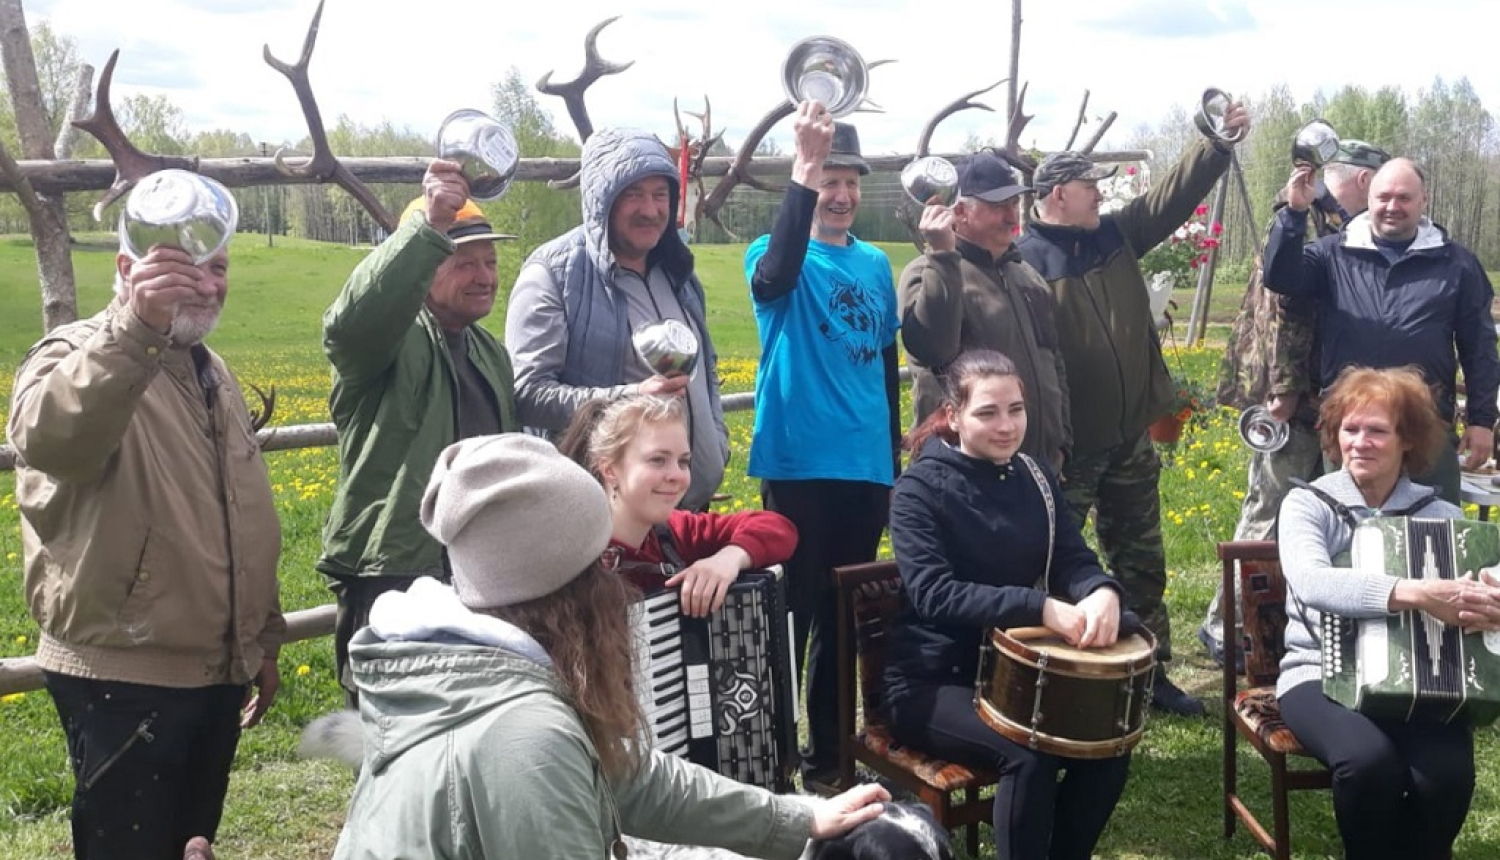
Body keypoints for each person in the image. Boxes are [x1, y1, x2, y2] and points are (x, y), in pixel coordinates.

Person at [331, 433, 890, 859]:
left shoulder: (479, 671)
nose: (612, 587)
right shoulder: (523, 738)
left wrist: (796, 820)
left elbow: (633, 779)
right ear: (566, 591)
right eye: (598, 567)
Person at [8, 193, 282, 860]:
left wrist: (263, 639)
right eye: (182, 267)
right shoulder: (73, 352)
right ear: (127, 269)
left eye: (218, 268)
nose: (206, 284)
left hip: (214, 670)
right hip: (123, 678)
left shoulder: (210, 370)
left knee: (191, 845)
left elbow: (239, 508)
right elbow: (49, 439)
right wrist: (137, 328)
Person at [1015, 101, 1252, 716]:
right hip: (1068, 449)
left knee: (1142, 559)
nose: (1101, 194)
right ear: (1058, 194)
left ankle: (1150, 672)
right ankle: (1052, 672)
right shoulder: (1022, 263)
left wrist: (1216, 144)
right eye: (1090, 186)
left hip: (1129, 438)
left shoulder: (1115, 234)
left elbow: (1172, 198)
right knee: (1052, 565)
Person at [886, 349, 1132, 860]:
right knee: (1029, 754)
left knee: (1108, 746)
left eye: (1016, 410)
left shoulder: (1035, 476)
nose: (1006, 425)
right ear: (953, 415)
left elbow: (1071, 557)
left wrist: (1101, 590)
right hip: (933, 680)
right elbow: (933, 592)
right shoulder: (918, 490)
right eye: (988, 412)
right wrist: (1039, 607)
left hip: (1020, 671)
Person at [1276, 366, 1500, 860]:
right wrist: (1416, 593)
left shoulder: (1441, 515)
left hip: (1422, 681)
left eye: (1377, 431)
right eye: (1350, 429)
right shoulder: (1307, 505)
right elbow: (1312, 582)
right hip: (1318, 675)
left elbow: (1480, 585)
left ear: (1407, 441)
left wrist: (1486, 605)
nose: (1360, 443)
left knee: (1446, 774)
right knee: (1367, 763)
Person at [319, 160, 520, 707]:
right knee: (394, 728)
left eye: (490, 262)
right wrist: (428, 227)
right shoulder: (383, 344)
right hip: (397, 574)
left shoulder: (488, 353)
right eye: (463, 262)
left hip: (479, 573)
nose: (484, 276)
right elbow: (349, 324)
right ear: (423, 267)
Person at [744, 100, 902, 789]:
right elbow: (775, 277)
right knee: (793, 617)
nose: (841, 195)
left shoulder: (875, 263)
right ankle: (774, 758)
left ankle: (830, 762)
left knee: (844, 619)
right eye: (829, 181)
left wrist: (892, 465)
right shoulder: (773, 253)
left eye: (849, 182)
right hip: (799, 463)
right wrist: (802, 172)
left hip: (863, 468)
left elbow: (887, 368)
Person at [1203, 139, 1391, 666]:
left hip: (1325, 400)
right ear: (1362, 180)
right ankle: (1228, 628)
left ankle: (1294, 624)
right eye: (1378, 184)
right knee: (1269, 511)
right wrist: (1285, 389)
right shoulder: (1305, 220)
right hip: (1297, 402)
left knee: (1322, 515)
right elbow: (1287, 312)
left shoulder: (1334, 222)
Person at [506, 127, 728, 510]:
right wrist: (630, 396)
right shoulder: (555, 274)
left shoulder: (679, 273)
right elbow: (528, 394)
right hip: (600, 515)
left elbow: (704, 372)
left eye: (660, 194)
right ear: (601, 199)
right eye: (633, 194)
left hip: (688, 511)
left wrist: (717, 446)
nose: (650, 210)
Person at [1264, 157, 1499, 506]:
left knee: (1433, 531)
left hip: (1427, 428)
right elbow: (1280, 277)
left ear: (1424, 200)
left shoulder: (1457, 263)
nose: (1392, 206)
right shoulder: (1333, 253)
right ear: (1369, 199)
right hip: (1353, 430)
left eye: (1404, 198)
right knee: (1349, 529)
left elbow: (1479, 347)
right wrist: (1294, 213)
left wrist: (1481, 421)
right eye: (1384, 197)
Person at [899, 150, 1071, 469]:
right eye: (998, 206)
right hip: (964, 473)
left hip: (1038, 468)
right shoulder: (926, 273)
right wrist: (942, 257)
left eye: (1014, 203)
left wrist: (1062, 443)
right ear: (960, 212)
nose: (1011, 216)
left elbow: (1053, 360)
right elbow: (933, 350)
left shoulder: (1027, 276)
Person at [556, 394, 798, 617]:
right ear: (609, 470)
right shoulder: (569, 557)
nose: (677, 475)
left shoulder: (673, 532)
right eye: (657, 460)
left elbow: (778, 528)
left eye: (683, 462)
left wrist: (728, 559)